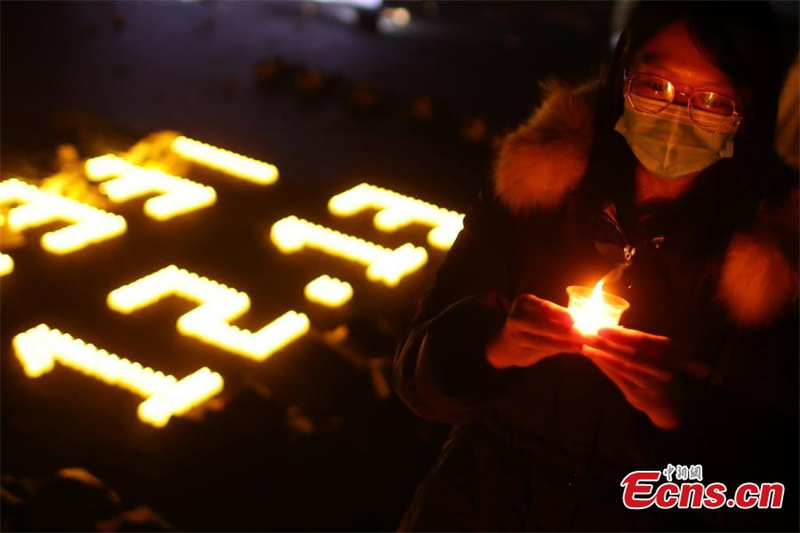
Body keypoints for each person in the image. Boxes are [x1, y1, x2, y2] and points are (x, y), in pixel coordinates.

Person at [393, 2, 798, 531]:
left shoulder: (778, 259)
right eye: (656, 86)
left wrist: (677, 412)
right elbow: (416, 384)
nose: (677, 117)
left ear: (750, 107)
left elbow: (772, 482)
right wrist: (491, 347)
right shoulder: (535, 190)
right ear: (622, 72)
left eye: (713, 101)